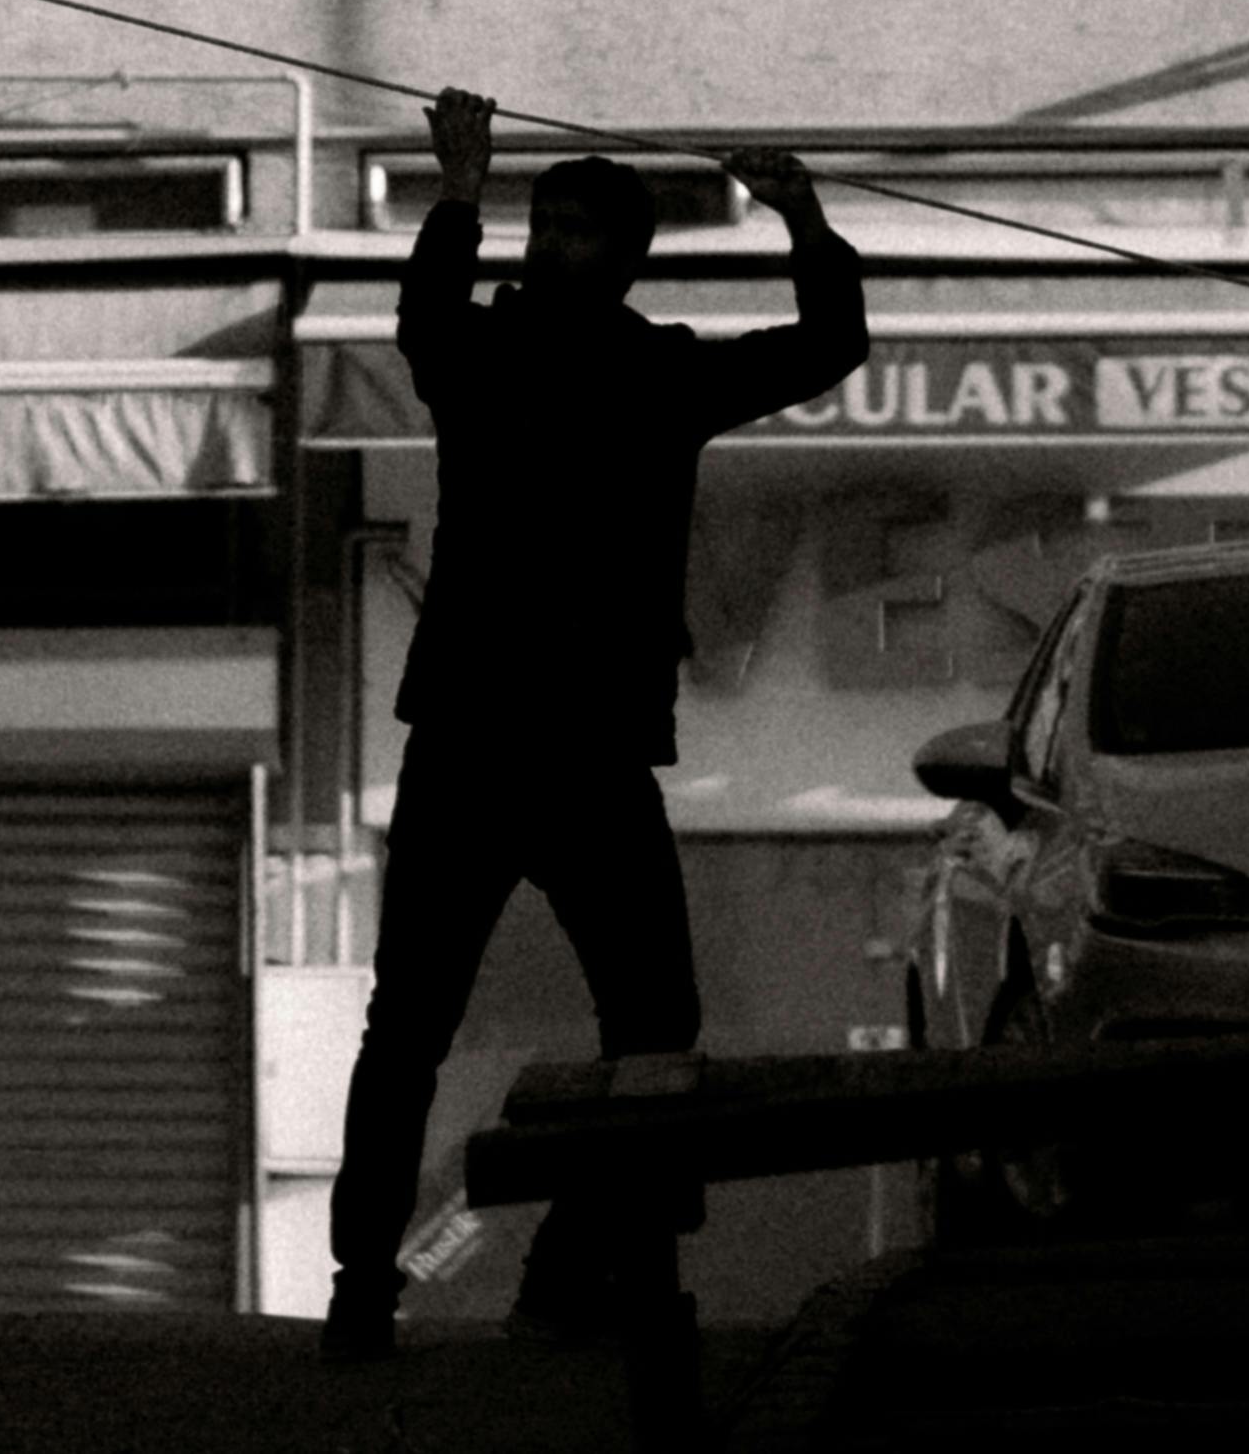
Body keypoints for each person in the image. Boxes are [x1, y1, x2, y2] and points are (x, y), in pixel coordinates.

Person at [323, 99, 865, 1365]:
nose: (548, 242)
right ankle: (397, 1279)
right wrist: (459, 189)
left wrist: (800, 215)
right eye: (540, 222)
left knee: (636, 1023)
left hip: (537, 748)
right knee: (447, 1023)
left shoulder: (598, 369)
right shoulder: (609, 370)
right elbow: (826, 342)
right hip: (507, 746)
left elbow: (827, 344)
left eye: (571, 228)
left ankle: (551, 1266)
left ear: (622, 256)